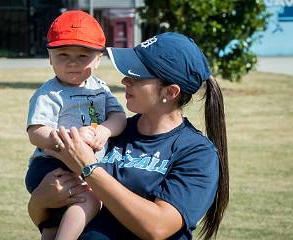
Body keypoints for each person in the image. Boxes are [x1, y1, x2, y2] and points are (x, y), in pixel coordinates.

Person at [30, 32, 229, 240]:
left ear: (170, 92)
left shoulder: (197, 153)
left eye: (137, 76)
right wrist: (40, 201)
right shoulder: (110, 130)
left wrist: (89, 168)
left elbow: (157, 227)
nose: (125, 80)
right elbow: (45, 217)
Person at [25, 10, 126, 240]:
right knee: (91, 198)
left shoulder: (99, 88)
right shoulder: (49, 93)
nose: (72, 62)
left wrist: (104, 130)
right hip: (51, 164)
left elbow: (118, 116)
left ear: (99, 59)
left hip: (84, 164)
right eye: (63, 55)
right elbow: (36, 132)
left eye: (83, 56)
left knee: (52, 224)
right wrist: (67, 140)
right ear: (49, 57)